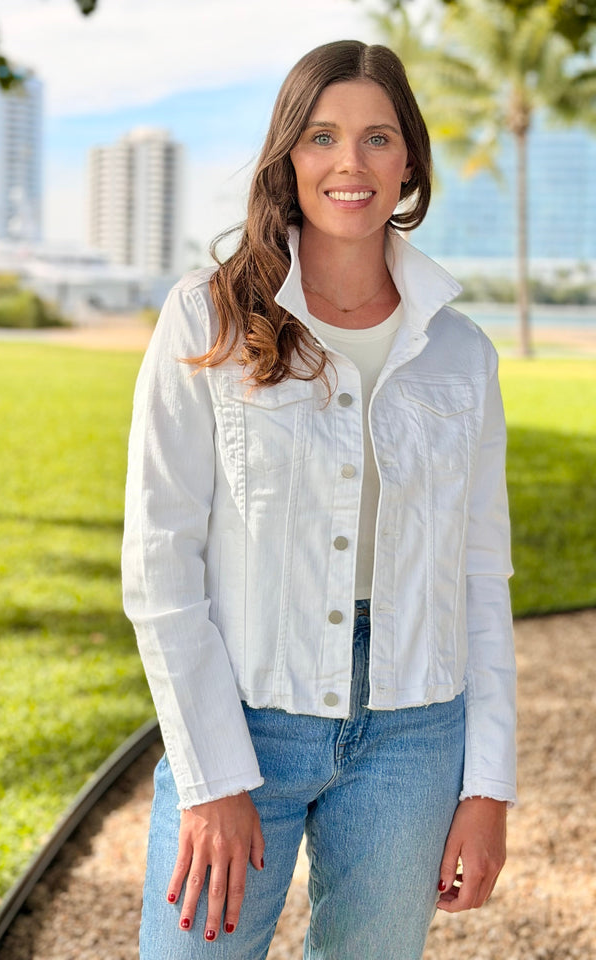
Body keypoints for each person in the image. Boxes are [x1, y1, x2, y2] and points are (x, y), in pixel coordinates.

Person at [122, 39, 516, 960]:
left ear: (409, 159)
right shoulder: (207, 319)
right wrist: (211, 776)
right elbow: (160, 561)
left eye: (378, 138)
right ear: (287, 158)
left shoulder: (464, 353)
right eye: (323, 137)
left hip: (415, 733)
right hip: (243, 712)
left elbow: (481, 576)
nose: (351, 163)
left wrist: (487, 787)